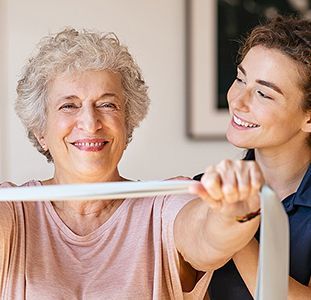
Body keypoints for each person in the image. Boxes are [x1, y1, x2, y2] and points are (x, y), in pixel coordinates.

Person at [0, 28, 263, 299]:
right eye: (69, 106)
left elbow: (208, 238)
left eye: (107, 105)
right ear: (41, 131)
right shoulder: (10, 208)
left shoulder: (164, 206)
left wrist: (233, 212)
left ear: (127, 125)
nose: (90, 123)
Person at [195, 15, 311, 299]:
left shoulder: (218, 204)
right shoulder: (203, 190)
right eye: (240, 79)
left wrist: (230, 224)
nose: (238, 101)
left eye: (263, 93)